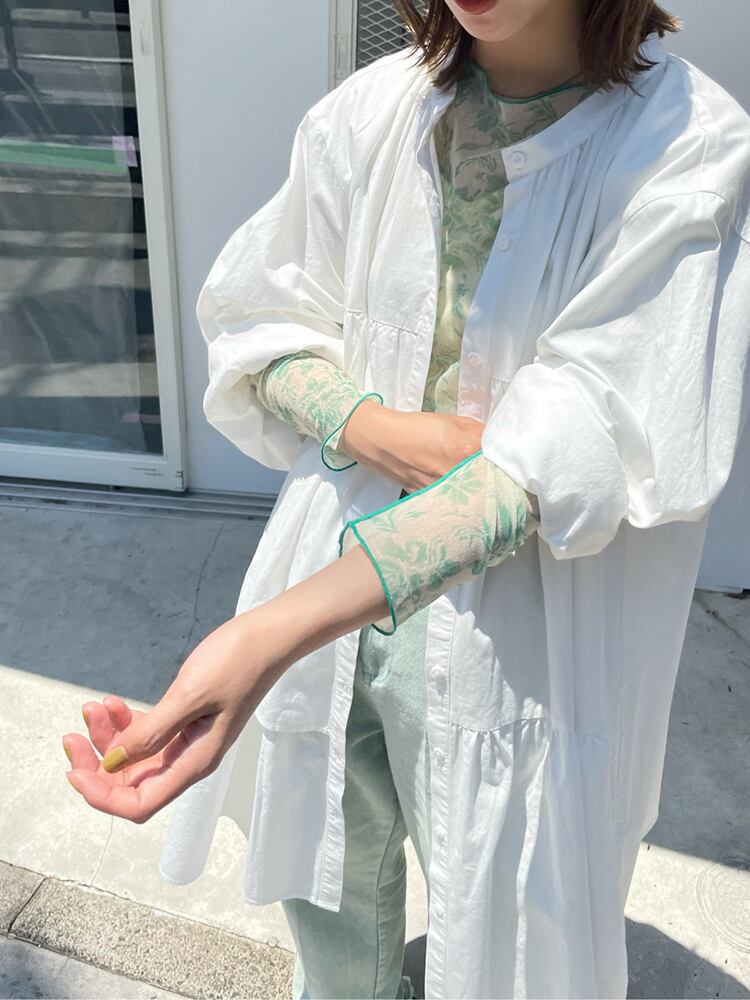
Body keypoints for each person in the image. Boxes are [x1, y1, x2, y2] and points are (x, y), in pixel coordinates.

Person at [62, 0, 750, 997]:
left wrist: (262, 639)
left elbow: (575, 451)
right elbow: (260, 323)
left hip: (530, 641)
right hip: (329, 583)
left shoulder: (686, 144)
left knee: (514, 921)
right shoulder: (373, 110)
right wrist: (380, 429)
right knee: (329, 893)